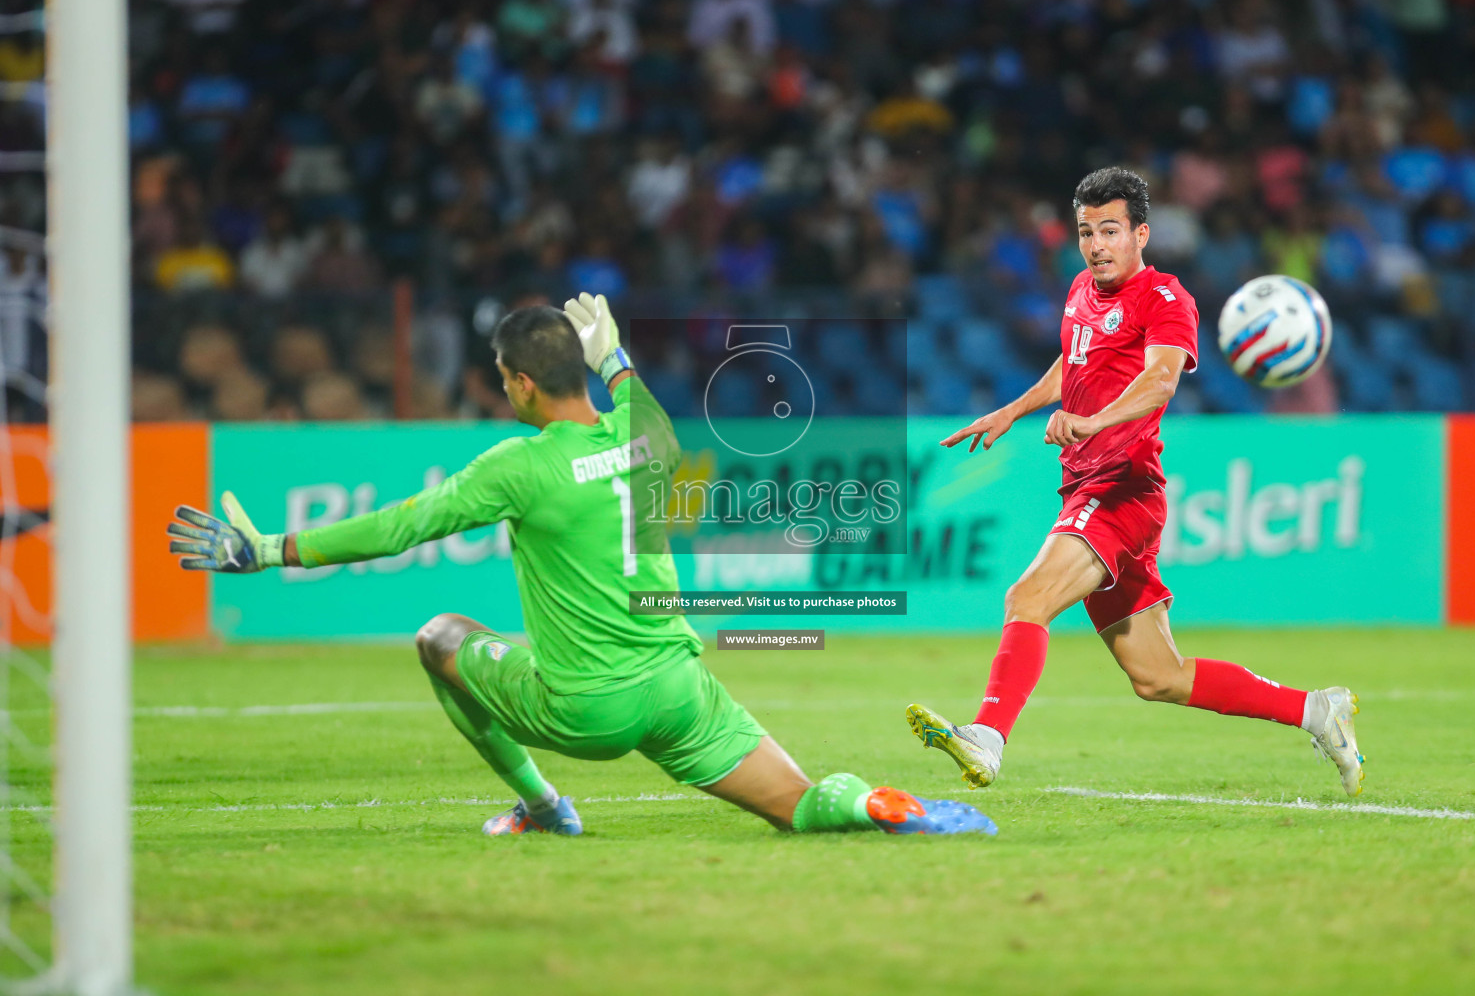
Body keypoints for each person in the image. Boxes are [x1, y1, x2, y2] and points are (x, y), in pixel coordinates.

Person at [169, 293, 995, 838]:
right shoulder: (647, 428)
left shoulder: (518, 466)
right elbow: (628, 387)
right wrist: (612, 353)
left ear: (522, 384)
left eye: (504, 379)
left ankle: (543, 806)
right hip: (680, 691)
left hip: (588, 711)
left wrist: (272, 549)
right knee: (801, 805)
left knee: (438, 636)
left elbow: (401, 527)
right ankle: (881, 803)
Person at [905, 168, 1365, 797]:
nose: (1096, 245)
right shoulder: (1079, 290)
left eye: (1110, 231)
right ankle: (1316, 711)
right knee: (1158, 676)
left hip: (1122, 490)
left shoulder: (1166, 299)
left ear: (1141, 233)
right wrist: (1014, 409)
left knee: (1027, 599)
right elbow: (1074, 360)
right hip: (1087, 486)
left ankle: (987, 736)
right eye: (1086, 232)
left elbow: (1161, 381)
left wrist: (1092, 420)